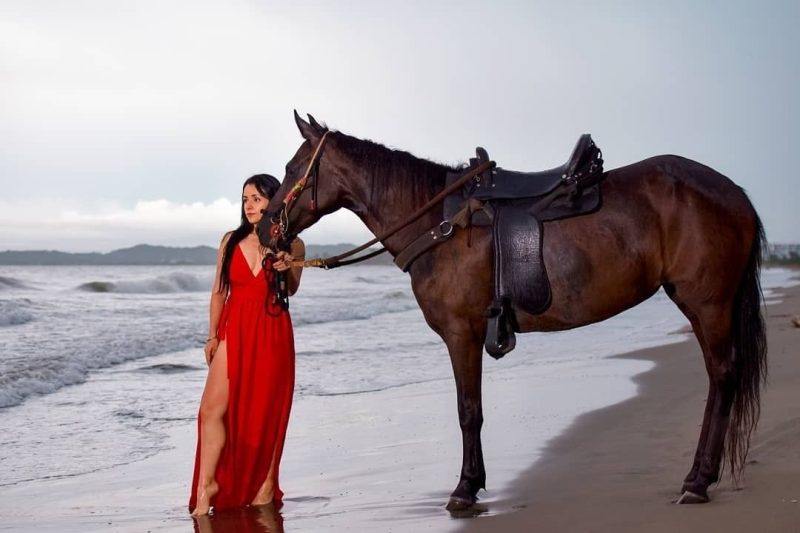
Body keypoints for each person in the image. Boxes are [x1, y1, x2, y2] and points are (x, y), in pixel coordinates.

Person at [189, 174, 305, 516]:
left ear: (274, 201)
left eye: (256, 198)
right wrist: (212, 335)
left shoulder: (291, 243)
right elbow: (218, 292)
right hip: (234, 328)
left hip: (272, 331)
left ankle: (265, 486)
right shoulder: (230, 240)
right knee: (211, 410)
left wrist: (286, 267)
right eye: (245, 199)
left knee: (269, 414)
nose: (250, 205)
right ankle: (206, 485)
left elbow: (292, 290)